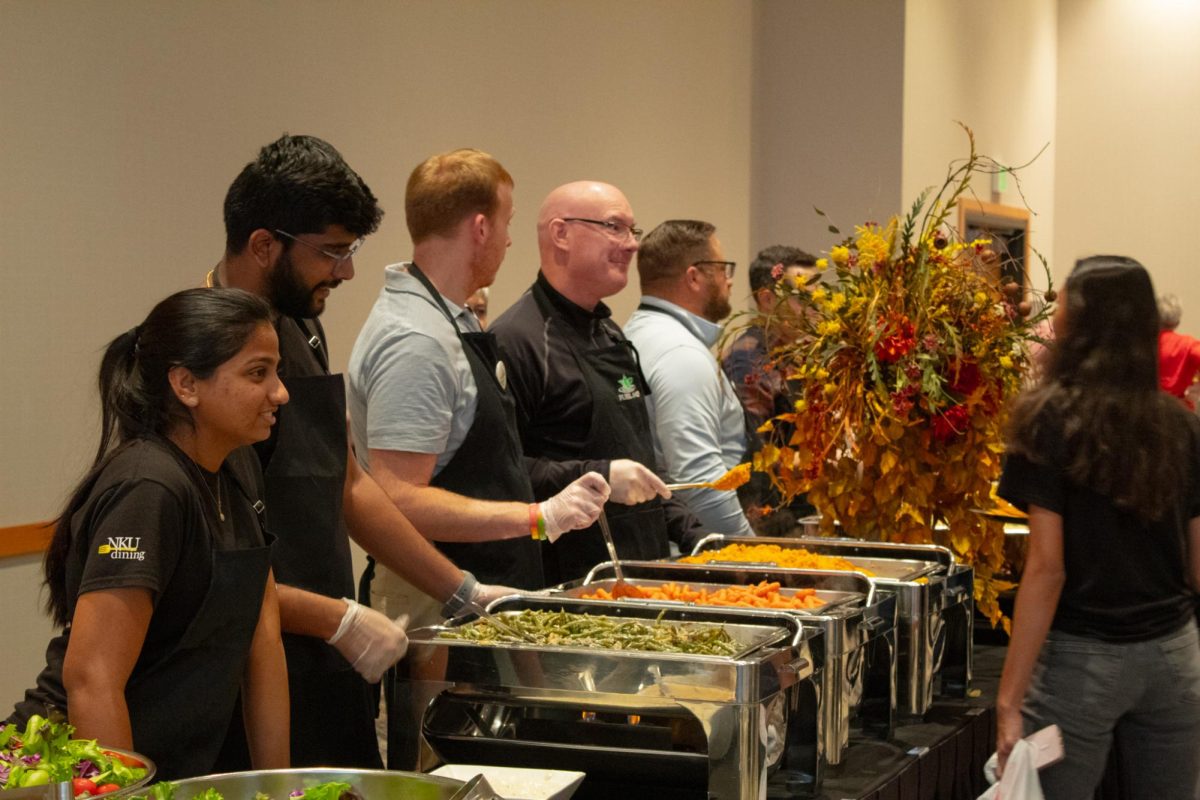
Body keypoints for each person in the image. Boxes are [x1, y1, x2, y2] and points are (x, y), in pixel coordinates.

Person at [207, 134, 511, 769]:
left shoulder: (301, 326)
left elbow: (349, 484)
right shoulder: (195, 358)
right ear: (264, 245)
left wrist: (462, 591)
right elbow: (213, 569)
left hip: (326, 651)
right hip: (247, 664)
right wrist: (333, 619)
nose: (346, 272)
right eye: (332, 252)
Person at [9, 288, 290, 780]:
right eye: (257, 373)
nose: (280, 392)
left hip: (171, 770)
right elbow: (92, 680)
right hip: (63, 772)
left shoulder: (237, 465)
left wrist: (282, 788)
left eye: (276, 371)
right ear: (186, 384)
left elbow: (263, 636)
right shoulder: (149, 487)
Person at [347, 149, 610, 629]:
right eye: (508, 224)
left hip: (481, 589)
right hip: (436, 600)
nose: (510, 241)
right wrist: (536, 516)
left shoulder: (450, 316)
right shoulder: (417, 339)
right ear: (482, 228)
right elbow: (398, 498)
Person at [995, 256, 1200, 799]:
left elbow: (1047, 570)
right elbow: (1199, 564)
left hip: (1082, 657)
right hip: (1175, 653)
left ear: (1081, 321)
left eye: (1062, 300)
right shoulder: (1182, 425)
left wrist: (1008, 700)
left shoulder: (1048, 419)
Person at [491, 181, 703, 584]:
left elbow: (637, 461)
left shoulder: (610, 333)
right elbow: (503, 474)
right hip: (570, 592)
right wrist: (600, 473)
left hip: (643, 577)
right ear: (561, 234)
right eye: (614, 227)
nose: (632, 245)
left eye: (632, 230)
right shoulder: (517, 340)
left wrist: (695, 535)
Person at [625, 219, 755, 537]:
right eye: (723, 268)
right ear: (694, 277)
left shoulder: (638, 331)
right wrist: (755, 557)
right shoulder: (681, 353)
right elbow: (701, 481)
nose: (729, 281)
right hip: (692, 549)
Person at [721, 245, 820, 533]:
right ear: (767, 299)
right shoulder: (748, 360)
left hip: (801, 511)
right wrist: (828, 462)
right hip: (771, 521)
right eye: (805, 299)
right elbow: (756, 456)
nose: (816, 309)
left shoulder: (799, 354)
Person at [1157, 293, 1200, 410]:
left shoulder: (1144, 344)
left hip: (1150, 410)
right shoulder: (1189, 344)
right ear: (1177, 322)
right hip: (1180, 411)